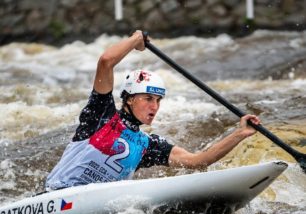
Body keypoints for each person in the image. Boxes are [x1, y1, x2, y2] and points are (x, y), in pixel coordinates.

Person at [45, 31, 260, 191]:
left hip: (95, 206)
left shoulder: (148, 145)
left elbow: (197, 162)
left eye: (158, 100)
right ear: (128, 99)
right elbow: (105, 62)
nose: (154, 107)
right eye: (148, 98)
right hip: (56, 195)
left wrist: (240, 134)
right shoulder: (101, 114)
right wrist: (135, 39)